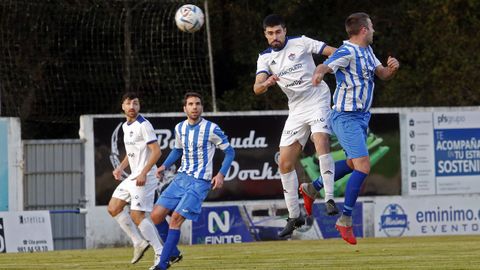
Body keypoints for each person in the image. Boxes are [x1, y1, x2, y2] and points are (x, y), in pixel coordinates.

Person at [311, 12, 399, 245]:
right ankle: (345, 220)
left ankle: (312, 188)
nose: (373, 31)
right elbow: (324, 65)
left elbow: (382, 74)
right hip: (345, 117)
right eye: (371, 27)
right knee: (363, 165)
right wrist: (319, 74)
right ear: (363, 30)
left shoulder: (367, 51)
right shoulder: (346, 51)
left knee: (352, 164)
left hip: (361, 118)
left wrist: (392, 69)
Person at [253, 14, 339, 238]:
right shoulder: (264, 58)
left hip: (318, 98)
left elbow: (336, 52)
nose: (275, 37)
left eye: (278, 32)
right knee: (284, 162)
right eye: (270, 33)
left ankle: (329, 197)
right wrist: (266, 83)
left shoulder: (300, 42)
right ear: (265, 35)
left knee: (320, 139)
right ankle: (294, 215)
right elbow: (256, 88)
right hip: (296, 109)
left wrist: (323, 68)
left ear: (284, 30)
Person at [151, 92, 235, 270]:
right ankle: (172, 252)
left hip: (200, 182)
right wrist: (163, 166)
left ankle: (163, 264)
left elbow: (230, 152)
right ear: (185, 108)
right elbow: (177, 150)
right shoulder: (180, 128)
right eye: (190, 104)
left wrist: (220, 174)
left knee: (175, 219)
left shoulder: (211, 128)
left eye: (197, 104)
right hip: (181, 178)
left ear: (202, 107)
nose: (194, 107)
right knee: (156, 215)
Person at [107, 92, 164, 264]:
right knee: (113, 208)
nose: (132, 107)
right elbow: (131, 152)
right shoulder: (126, 126)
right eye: (128, 103)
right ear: (122, 107)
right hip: (133, 176)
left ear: (139, 106)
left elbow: (157, 151)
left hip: (144, 176)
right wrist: (120, 167)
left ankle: (161, 253)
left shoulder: (143, 125)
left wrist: (143, 173)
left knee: (137, 214)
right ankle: (138, 242)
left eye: (136, 103)